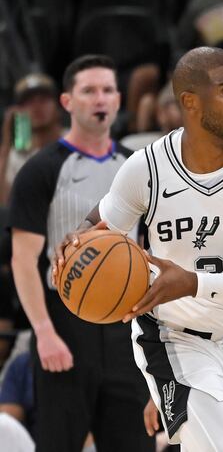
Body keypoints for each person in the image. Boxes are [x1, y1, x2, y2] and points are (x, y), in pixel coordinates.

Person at [54, 47, 223, 451]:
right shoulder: (147, 167)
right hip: (171, 340)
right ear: (190, 102)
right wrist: (77, 239)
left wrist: (193, 282)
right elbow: (102, 220)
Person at [8, 55, 152, 451]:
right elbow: (23, 260)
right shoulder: (41, 169)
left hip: (127, 322)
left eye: (107, 90)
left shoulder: (137, 167)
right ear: (68, 102)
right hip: (65, 322)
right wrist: (44, 333)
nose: (99, 98)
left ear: (119, 99)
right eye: (89, 91)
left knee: (134, 443)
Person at [0, 74, 63, 204]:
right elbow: (4, 202)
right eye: (28, 102)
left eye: (43, 99)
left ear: (58, 105)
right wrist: (6, 144)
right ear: (17, 111)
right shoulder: (16, 156)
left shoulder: (78, 142)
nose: (36, 106)